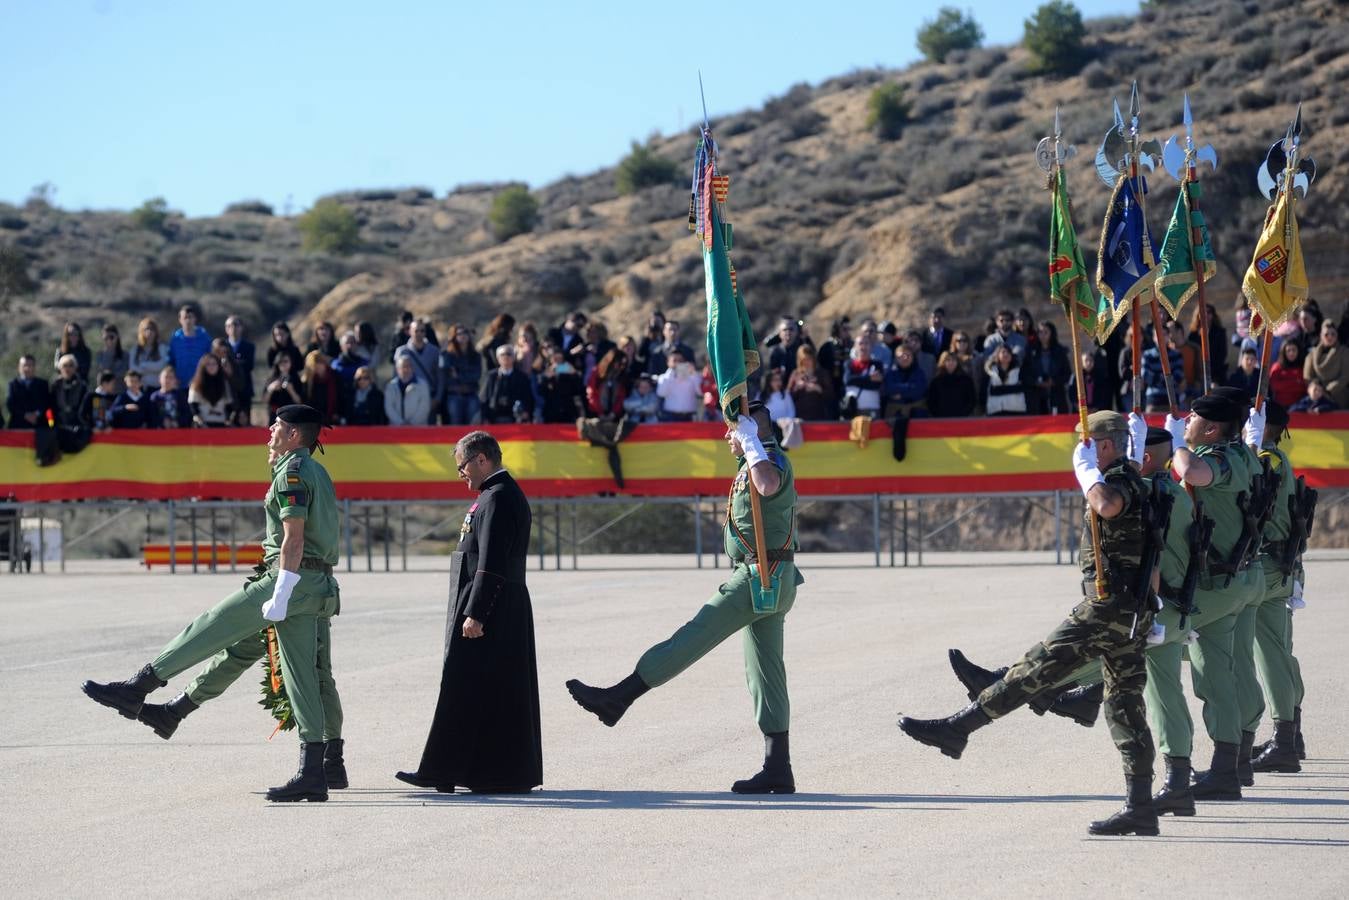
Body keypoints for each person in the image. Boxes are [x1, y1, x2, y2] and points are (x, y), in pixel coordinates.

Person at [899, 410, 1161, 836]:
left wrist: (1087, 471)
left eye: (1089, 441)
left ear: (1107, 445)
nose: (1083, 446)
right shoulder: (1133, 477)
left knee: (1034, 668)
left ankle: (960, 728)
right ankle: (1140, 805)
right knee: (1124, 706)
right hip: (1130, 610)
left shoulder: (1121, 484)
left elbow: (1108, 505)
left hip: (1108, 607)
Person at [82, 405, 345, 802]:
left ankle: (141, 684)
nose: (270, 429)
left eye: (277, 425)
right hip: (316, 583)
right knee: (299, 675)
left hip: (290, 577)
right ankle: (315, 770)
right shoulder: (316, 472)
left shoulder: (292, 473)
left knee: (211, 625)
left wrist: (282, 590)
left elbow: (293, 537)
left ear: (294, 435)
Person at [567, 402, 804, 793]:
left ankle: (619, 697)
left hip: (760, 575)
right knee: (765, 674)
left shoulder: (769, 459)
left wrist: (751, 443)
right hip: (771, 576)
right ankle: (778, 766)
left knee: (693, 636)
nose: (728, 436)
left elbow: (768, 486)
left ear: (751, 430)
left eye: (733, 430)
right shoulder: (754, 460)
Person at [397, 431, 542, 794]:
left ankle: (446, 771)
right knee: (481, 692)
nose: (460, 473)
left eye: (462, 465)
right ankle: (471, 771)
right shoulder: (492, 495)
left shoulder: (499, 497)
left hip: (492, 606)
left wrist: (476, 612)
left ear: (482, 459)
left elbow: (491, 562)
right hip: (494, 602)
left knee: (465, 689)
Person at [1156, 392, 1265, 801]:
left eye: (1194, 416)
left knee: (1146, 637)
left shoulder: (1222, 457)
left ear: (1213, 428)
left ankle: (1059, 687)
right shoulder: (1236, 452)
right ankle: (1227, 769)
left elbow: (1197, 474)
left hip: (1222, 582)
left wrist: (1176, 448)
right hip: (1229, 578)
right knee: (1217, 675)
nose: (1186, 419)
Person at [1244, 400, 1305, 774]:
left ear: (1267, 426)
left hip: (1269, 563)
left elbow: (1254, 480)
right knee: (1278, 651)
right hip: (1277, 564)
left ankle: (1285, 740)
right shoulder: (1272, 456)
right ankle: (1290, 734)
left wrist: (1251, 448)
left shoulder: (1271, 459)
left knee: (1271, 655)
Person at [439, 323, 483, 425]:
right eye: (459, 333)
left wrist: (458, 375)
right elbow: (446, 376)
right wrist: (466, 375)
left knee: (473, 427)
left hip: (471, 395)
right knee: (455, 426)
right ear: (454, 336)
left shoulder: (475, 356)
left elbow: (476, 376)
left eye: (465, 333)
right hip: (454, 396)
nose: (462, 335)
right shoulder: (448, 355)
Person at [482, 345, 534, 424]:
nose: (505, 357)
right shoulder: (491, 376)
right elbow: (484, 398)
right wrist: (485, 417)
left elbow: (528, 398)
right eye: (502, 354)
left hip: (515, 418)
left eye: (509, 354)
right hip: (494, 416)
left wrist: (526, 412)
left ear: (514, 357)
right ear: (497, 358)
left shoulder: (522, 377)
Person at [1028, 322, 1072, 414]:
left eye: (1046, 332)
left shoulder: (1060, 351)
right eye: (1040, 332)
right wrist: (1036, 382)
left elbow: (1067, 374)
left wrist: (1053, 381)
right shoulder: (1032, 351)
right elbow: (1026, 373)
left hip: (1057, 395)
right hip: (1037, 397)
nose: (1042, 335)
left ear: (1051, 333)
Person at [1302, 320, 1347, 408]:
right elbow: (1307, 377)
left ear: (1337, 335)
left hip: (1338, 396)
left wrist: (1328, 390)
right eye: (1326, 334)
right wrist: (1317, 389)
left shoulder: (1344, 352)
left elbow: (1345, 376)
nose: (1330, 337)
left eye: (1333, 334)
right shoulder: (1312, 354)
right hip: (1316, 396)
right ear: (1321, 336)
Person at [395, 319, 442, 404]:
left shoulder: (434, 351)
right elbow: (396, 376)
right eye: (416, 331)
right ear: (410, 332)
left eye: (422, 331)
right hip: (408, 396)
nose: (419, 333)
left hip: (429, 395)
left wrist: (437, 398)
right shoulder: (401, 351)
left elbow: (440, 376)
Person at [51, 354, 91, 453]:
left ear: (75, 368)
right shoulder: (55, 386)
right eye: (65, 366)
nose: (68, 369)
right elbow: (49, 409)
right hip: (58, 426)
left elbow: (86, 409)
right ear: (60, 368)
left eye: (71, 365)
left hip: (77, 427)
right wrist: (51, 424)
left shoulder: (82, 386)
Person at [786, 345, 835, 421]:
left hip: (819, 417)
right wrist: (796, 388)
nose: (806, 362)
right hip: (799, 418)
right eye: (803, 359)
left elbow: (831, 395)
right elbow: (787, 397)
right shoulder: (795, 374)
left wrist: (818, 389)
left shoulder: (822, 373)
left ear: (813, 359)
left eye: (808, 359)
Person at [224, 316, 257, 426]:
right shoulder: (222, 347)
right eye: (229, 325)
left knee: (244, 422)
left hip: (244, 390)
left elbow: (249, 366)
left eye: (236, 325)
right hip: (226, 391)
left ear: (241, 328)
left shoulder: (249, 347)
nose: (233, 328)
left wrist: (231, 365)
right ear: (226, 329)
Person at [170, 305, 213, 388]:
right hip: (180, 385)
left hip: (201, 384)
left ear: (195, 319)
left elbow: (210, 360)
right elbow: (171, 362)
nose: (188, 320)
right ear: (180, 320)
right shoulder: (175, 339)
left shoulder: (205, 338)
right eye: (185, 317)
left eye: (190, 317)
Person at [843, 333, 885, 418]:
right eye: (860, 343)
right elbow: (847, 380)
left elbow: (875, 385)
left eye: (866, 343)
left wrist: (856, 381)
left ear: (871, 346)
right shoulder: (849, 364)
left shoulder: (877, 365)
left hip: (871, 408)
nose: (863, 347)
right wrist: (869, 378)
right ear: (855, 346)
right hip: (852, 409)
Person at [538, 349, 585, 423]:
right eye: (555, 359)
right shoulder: (546, 372)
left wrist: (574, 374)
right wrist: (546, 378)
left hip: (567, 411)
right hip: (551, 412)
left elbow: (578, 389)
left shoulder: (568, 372)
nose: (558, 361)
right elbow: (541, 392)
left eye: (560, 359)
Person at [925, 350, 977, 417]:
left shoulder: (966, 380)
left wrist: (964, 413)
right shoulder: (936, 381)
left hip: (961, 419)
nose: (951, 362)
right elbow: (931, 402)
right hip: (941, 420)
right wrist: (938, 414)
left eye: (954, 360)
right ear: (943, 362)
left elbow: (972, 400)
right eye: (948, 360)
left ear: (958, 362)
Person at [654, 350, 702, 421]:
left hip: (690, 417)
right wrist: (671, 372)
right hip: (670, 417)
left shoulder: (693, 376)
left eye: (680, 360)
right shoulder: (664, 377)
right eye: (674, 360)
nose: (678, 363)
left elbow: (700, 392)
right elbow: (661, 393)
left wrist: (693, 373)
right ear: (668, 362)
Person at [385, 355, 432, 426]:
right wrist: (400, 423)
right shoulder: (391, 386)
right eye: (403, 367)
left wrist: (411, 424)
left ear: (412, 368)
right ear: (397, 369)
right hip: (396, 429)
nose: (406, 369)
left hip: (418, 429)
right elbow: (389, 407)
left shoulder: (422, 385)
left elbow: (424, 407)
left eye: (408, 366)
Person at [6, 355, 51, 430]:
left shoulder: (43, 384)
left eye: (30, 365)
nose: (27, 368)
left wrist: (36, 414)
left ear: (34, 367)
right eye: (24, 365)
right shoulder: (13, 384)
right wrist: (25, 415)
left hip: (40, 427)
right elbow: (10, 405)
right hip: (18, 427)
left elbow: (47, 403)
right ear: (19, 367)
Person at [188, 354, 234, 427]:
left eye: (214, 364)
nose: (211, 367)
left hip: (221, 423)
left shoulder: (224, 383)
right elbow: (193, 405)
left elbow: (229, 405)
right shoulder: (196, 384)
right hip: (202, 424)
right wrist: (200, 421)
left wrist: (228, 420)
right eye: (208, 364)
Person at [300, 350, 342, 426]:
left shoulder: (334, 376)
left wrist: (337, 413)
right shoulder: (308, 380)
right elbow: (305, 401)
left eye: (320, 363)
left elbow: (340, 396)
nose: (318, 367)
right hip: (313, 420)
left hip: (332, 418)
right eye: (314, 365)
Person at [128, 317, 171, 390]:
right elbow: (132, 367)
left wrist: (144, 365)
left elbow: (162, 365)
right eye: (146, 329)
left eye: (152, 329)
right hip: (140, 388)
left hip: (157, 387)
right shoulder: (135, 349)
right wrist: (150, 369)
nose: (149, 332)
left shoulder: (162, 348)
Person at [585, 348, 629, 419]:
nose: (622, 367)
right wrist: (600, 412)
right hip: (596, 414)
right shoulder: (597, 373)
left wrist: (613, 413)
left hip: (614, 415)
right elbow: (592, 394)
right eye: (620, 363)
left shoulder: (621, 376)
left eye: (624, 364)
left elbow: (621, 397)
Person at [984, 344, 1027, 415]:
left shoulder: (1019, 371)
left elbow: (1023, 388)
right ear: (997, 355)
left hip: (1016, 411)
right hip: (995, 411)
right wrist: (1012, 389)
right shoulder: (990, 372)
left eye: (1008, 352)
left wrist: (998, 390)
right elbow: (987, 392)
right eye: (1003, 352)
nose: (1006, 354)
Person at [264, 355, 304, 424]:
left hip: (291, 415)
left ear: (291, 363)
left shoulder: (296, 379)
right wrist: (271, 389)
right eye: (280, 362)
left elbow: (300, 401)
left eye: (286, 361)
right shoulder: (271, 379)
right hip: (275, 416)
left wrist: (291, 390)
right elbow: (264, 400)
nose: (283, 364)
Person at [1268, 339, 1308, 409]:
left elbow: (1304, 386)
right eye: (1288, 350)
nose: (1291, 353)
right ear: (1283, 352)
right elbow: (1274, 385)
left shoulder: (1303, 366)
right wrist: (1295, 382)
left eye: (1294, 350)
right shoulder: (1277, 366)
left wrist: (1285, 383)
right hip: (1280, 406)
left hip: (1300, 406)